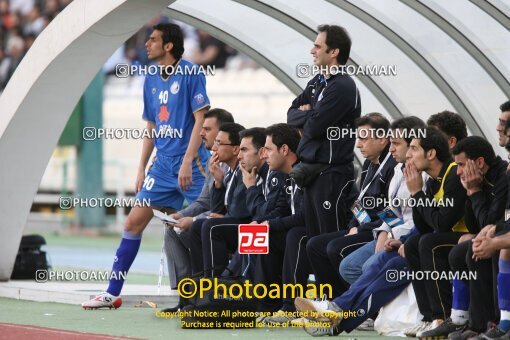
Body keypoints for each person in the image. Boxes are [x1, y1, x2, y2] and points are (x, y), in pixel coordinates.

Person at [82, 23, 211, 309]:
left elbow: (200, 119)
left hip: (192, 165)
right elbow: (151, 125)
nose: (146, 44)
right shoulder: (150, 76)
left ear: (168, 45)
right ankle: (112, 293)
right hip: (162, 167)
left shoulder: (191, 73)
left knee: (206, 224)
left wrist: (188, 160)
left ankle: (218, 293)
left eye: (152, 40)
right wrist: (141, 167)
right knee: (132, 223)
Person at [292, 116, 427, 336]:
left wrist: (381, 230)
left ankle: (342, 311)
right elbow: (371, 206)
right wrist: (361, 225)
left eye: (398, 144)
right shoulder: (379, 168)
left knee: (344, 255)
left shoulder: (402, 170)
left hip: (389, 234)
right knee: (315, 245)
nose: (358, 144)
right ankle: (333, 308)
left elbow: (398, 213)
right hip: (383, 231)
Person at [421, 136, 507, 339]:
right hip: (494, 230)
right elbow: (474, 224)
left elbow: (491, 220)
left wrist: (475, 191)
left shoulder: (502, 176)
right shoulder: (478, 177)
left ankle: (493, 322)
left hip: (502, 234)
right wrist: (470, 191)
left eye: (460, 165)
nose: (458, 171)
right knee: (458, 252)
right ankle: (465, 319)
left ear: (478, 162)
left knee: (476, 251)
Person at [306, 113, 396, 298]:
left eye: (364, 138)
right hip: (364, 226)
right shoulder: (368, 165)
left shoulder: (393, 167)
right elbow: (360, 202)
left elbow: (392, 211)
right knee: (314, 245)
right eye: (357, 138)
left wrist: (365, 226)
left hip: (380, 230)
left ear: (383, 139)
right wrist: (354, 225)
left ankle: (351, 302)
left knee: (335, 248)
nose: (358, 144)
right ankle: (331, 300)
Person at [287, 24, 360, 238]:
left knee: (327, 241)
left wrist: (311, 115)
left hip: (331, 175)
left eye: (318, 46)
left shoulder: (342, 86)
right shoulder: (317, 82)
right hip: (313, 173)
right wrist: (313, 113)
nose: (312, 51)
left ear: (334, 52)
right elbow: (291, 115)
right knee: (314, 241)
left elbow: (315, 128)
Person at [403, 127, 468, 337]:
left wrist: (416, 193)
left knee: (429, 243)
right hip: (450, 236)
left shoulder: (453, 175)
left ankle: (444, 316)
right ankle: (429, 317)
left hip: (471, 235)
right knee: (414, 243)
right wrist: (417, 194)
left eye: (413, 149)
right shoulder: (432, 181)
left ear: (430, 154)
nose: (407, 155)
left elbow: (441, 224)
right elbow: (424, 227)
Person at [163, 108, 233, 291]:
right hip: (214, 222)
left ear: (223, 132)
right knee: (171, 229)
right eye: (201, 128)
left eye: (207, 129)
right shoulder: (213, 161)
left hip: (229, 224)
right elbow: (204, 201)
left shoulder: (238, 164)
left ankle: (205, 289)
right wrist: (179, 215)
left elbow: (227, 210)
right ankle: (185, 292)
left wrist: (193, 220)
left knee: (198, 227)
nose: (201, 133)